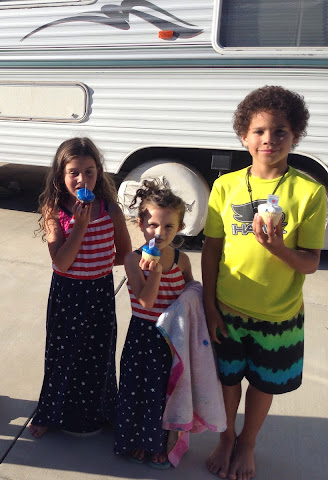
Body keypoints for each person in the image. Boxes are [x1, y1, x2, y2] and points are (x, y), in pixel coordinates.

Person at [202, 86, 326, 480]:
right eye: (258, 131)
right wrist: (209, 307)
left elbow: (310, 262)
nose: (268, 139)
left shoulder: (310, 192)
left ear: (296, 136)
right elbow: (211, 250)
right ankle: (226, 438)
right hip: (227, 310)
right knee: (227, 380)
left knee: (263, 385)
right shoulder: (225, 186)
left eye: (280, 131)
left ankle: (248, 442)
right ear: (244, 136)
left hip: (278, 317)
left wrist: (279, 249)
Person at [28, 137, 132, 438]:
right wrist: (80, 227)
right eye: (73, 172)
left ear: (98, 172)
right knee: (62, 356)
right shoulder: (54, 210)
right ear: (61, 175)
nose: (82, 179)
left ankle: (102, 412)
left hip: (99, 291)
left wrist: (98, 262)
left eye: (89, 172)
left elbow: (124, 254)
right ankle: (49, 413)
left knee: (99, 355)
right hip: (68, 293)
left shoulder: (111, 210)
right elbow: (61, 262)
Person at [113, 179, 194, 469]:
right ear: (141, 224)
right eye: (153, 225)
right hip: (143, 335)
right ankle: (136, 438)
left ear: (180, 227)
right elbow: (146, 301)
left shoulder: (182, 260)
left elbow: (190, 292)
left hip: (170, 337)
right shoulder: (132, 260)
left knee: (164, 391)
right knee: (137, 388)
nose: (160, 233)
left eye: (169, 226)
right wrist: (156, 272)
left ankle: (159, 442)